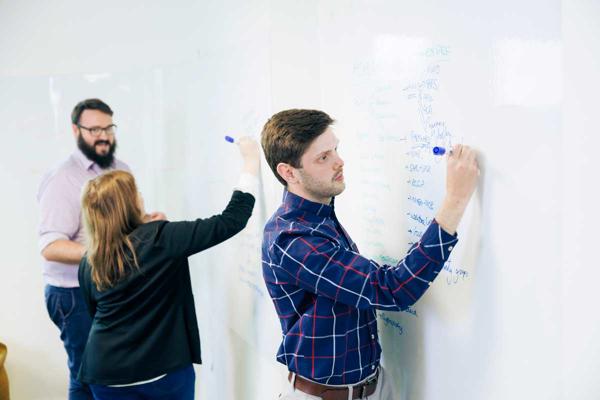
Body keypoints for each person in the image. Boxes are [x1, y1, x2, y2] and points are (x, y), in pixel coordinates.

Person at [260, 109, 479, 399]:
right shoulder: (293, 239)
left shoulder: (319, 217)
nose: (339, 162)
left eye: (335, 149)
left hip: (371, 386)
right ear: (288, 172)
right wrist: (455, 200)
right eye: (323, 158)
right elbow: (392, 289)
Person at [77, 137, 260, 399]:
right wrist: (251, 161)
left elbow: (95, 312)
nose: (141, 195)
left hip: (105, 374)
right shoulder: (161, 238)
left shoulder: (89, 260)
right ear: (130, 204)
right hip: (162, 374)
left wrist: (150, 230)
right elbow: (231, 220)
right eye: (136, 191)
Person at [37, 98, 163, 400]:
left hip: (110, 288)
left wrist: (145, 223)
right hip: (72, 294)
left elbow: (119, 225)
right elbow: (50, 245)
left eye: (108, 127)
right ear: (75, 130)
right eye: (94, 129)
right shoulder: (62, 178)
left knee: (110, 374)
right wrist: (108, 250)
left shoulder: (121, 169)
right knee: (85, 375)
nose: (103, 135)